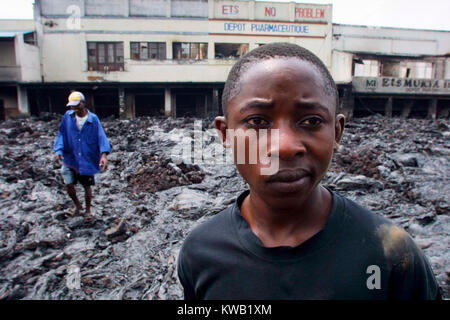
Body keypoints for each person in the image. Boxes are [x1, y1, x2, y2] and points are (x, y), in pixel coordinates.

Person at [177, 43, 442, 300]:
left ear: (336, 132)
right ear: (226, 133)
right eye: (257, 121)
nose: (286, 146)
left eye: (311, 121)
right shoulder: (200, 252)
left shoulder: (391, 254)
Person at [54, 91, 111, 221]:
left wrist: (103, 155)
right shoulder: (68, 117)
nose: (74, 108)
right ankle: (78, 206)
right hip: (71, 157)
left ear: (83, 103)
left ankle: (88, 210)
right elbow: (61, 134)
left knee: (87, 185)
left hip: (86, 157)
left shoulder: (93, 119)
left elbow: (101, 136)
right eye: (72, 106)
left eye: (77, 105)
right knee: (68, 183)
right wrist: (58, 150)